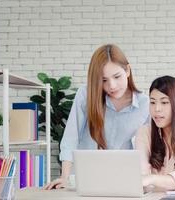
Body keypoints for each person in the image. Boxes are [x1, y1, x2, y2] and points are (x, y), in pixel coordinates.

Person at [45, 44, 149, 190]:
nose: (111, 86)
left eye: (117, 76)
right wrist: (65, 177)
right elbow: (71, 137)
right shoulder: (86, 95)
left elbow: (148, 149)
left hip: (123, 182)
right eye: (104, 80)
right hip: (86, 181)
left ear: (127, 70)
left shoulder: (146, 104)